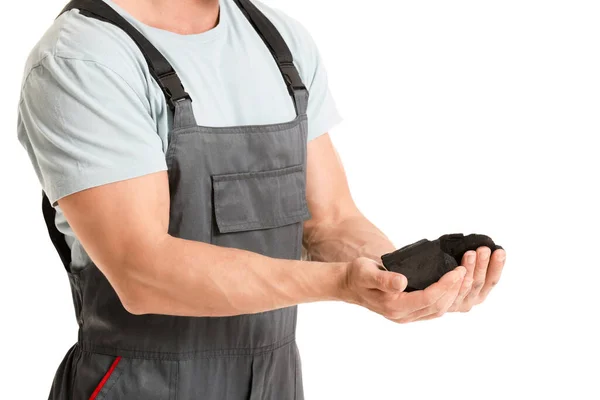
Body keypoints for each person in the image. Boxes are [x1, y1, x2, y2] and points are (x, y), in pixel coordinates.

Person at [17, 0, 507, 398]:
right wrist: (341, 282)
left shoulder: (280, 42)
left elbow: (330, 220)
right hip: (140, 383)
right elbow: (143, 270)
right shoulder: (84, 58)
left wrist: (396, 275)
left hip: (274, 380)